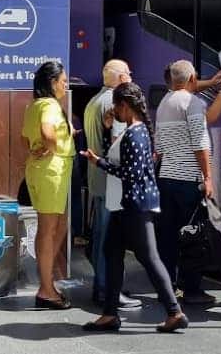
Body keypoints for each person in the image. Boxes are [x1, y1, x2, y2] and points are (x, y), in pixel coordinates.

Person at [81, 82, 189, 333]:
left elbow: (130, 172)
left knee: (150, 258)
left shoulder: (135, 134)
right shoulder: (135, 131)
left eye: (116, 107)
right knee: (111, 252)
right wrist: (105, 146)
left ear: (125, 106)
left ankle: (174, 311)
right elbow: (123, 161)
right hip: (131, 205)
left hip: (135, 206)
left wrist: (100, 164)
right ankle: (109, 313)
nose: (114, 112)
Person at [154, 60, 215, 305]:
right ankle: (192, 289)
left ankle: (167, 287)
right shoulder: (193, 103)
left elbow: (158, 146)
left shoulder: (163, 103)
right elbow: (200, 142)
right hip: (188, 179)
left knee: (167, 237)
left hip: (166, 177)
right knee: (193, 236)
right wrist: (208, 177)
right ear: (192, 79)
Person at [82, 59, 141, 309]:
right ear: (119, 78)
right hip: (111, 180)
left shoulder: (94, 101)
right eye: (128, 73)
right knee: (109, 239)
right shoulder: (115, 103)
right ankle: (108, 290)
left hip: (97, 178)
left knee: (100, 236)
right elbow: (119, 141)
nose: (131, 76)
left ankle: (102, 286)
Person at [21, 60, 74, 309]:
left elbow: (25, 138)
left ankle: (47, 281)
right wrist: (51, 146)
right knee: (48, 229)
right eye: (63, 82)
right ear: (53, 83)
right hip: (52, 171)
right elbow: (47, 132)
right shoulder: (51, 105)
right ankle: (46, 288)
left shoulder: (35, 105)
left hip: (42, 169)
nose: (66, 86)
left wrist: (39, 148)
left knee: (53, 226)